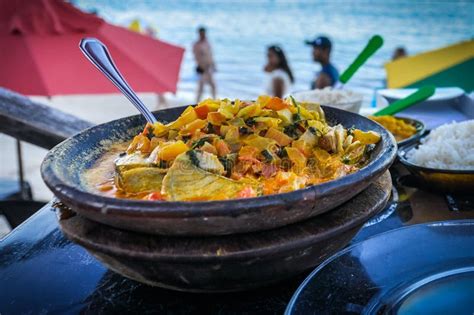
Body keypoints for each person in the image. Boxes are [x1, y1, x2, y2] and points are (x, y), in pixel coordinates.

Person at [193, 26, 216, 102]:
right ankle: (197, 102)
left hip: (208, 68)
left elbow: (210, 55)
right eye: (201, 33)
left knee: (212, 85)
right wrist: (201, 66)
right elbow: (196, 57)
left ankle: (214, 100)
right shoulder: (197, 44)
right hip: (202, 68)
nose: (203, 35)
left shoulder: (207, 42)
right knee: (201, 87)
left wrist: (213, 65)